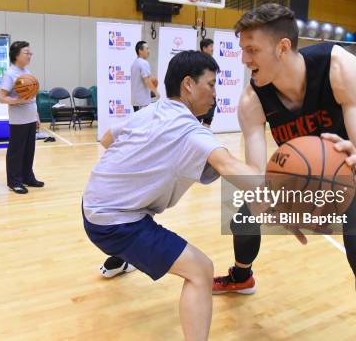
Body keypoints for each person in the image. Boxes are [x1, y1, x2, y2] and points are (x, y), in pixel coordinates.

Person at [212, 4, 356, 340]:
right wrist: (276, 203)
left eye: (252, 51)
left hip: (353, 171)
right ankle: (242, 276)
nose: (244, 60)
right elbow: (255, 174)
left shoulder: (339, 67)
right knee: (244, 217)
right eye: (242, 51)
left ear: (283, 47)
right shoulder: (253, 99)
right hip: (297, 178)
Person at [83, 51, 264, 341]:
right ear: (188, 85)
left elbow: (106, 139)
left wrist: (135, 172)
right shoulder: (192, 133)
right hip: (115, 223)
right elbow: (238, 172)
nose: (215, 94)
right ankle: (123, 252)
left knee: (141, 214)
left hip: (91, 204)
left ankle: (120, 258)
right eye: (211, 85)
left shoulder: (149, 111)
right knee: (201, 271)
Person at [0, 41, 43, 194]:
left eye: (30, 53)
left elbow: (32, 97)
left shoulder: (27, 72)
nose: (30, 55)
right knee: (16, 152)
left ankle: (27, 177)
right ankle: (14, 182)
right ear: (16, 55)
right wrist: (18, 100)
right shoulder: (10, 74)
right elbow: (2, 98)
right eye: (27, 53)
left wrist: (36, 116)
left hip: (30, 116)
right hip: (18, 119)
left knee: (29, 150)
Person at [131, 41, 159, 112]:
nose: (148, 51)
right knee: (143, 122)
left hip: (136, 101)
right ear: (140, 51)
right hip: (142, 102)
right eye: (147, 49)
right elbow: (147, 81)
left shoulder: (134, 63)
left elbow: (148, 79)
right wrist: (156, 92)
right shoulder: (143, 63)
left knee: (138, 122)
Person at [197, 38, 216, 127]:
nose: (212, 49)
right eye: (211, 46)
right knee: (196, 121)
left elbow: (212, 81)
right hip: (201, 96)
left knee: (207, 120)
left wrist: (213, 92)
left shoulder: (211, 60)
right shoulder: (199, 61)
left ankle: (203, 138)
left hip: (209, 96)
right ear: (204, 48)